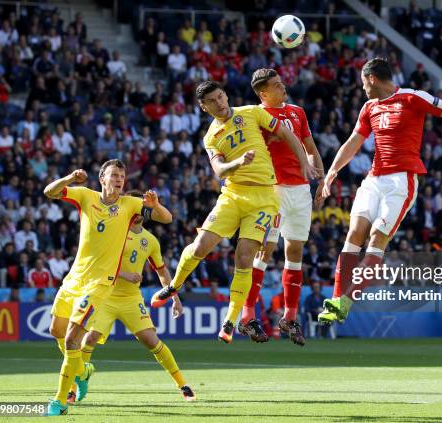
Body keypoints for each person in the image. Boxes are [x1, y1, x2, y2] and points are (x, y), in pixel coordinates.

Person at [317, 57, 442, 325]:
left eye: (364, 83)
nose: (362, 88)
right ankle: (336, 300)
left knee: (375, 240)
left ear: (372, 78)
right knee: (354, 234)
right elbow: (354, 141)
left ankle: (345, 301)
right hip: (374, 178)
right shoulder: (369, 107)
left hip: (401, 181)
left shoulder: (412, 98)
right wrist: (332, 171)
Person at [151, 81, 317, 344]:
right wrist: (239, 162)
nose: (220, 103)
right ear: (204, 107)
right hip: (233, 195)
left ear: (226, 94)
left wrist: (304, 164)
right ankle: (174, 285)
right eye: (213, 101)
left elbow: (288, 135)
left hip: (264, 199)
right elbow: (218, 170)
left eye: (221, 96)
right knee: (200, 247)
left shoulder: (251, 112)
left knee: (245, 257)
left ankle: (231, 320)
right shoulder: (211, 136)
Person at [43, 160, 172, 415]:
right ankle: (82, 372)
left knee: (72, 338)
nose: (118, 180)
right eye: (114, 175)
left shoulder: (130, 204)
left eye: (122, 176)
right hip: (74, 279)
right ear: (102, 178)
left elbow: (167, 219)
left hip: (100, 283)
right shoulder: (85, 196)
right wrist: (70, 177)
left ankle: (59, 401)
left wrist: (155, 205)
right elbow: (49, 192)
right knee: (56, 329)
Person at [74, 198, 194, 403]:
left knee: (152, 341)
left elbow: (162, 271)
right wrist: (123, 274)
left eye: (143, 208)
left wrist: (175, 298)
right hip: (106, 294)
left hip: (131, 298)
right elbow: (98, 262)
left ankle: (183, 385)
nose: (138, 211)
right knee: (89, 338)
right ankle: (73, 386)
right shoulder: (116, 233)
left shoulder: (151, 241)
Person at [237, 68, 324, 346]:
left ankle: (289, 317)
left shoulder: (298, 112)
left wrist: (321, 179)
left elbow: (310, 147)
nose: (282, 86)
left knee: (295, 250)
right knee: (266, 247)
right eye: (275, 85)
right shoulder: (255, 116)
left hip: (300, 189)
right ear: (263, 93)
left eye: (281, 82)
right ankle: (247, 314)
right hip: (272, 189)